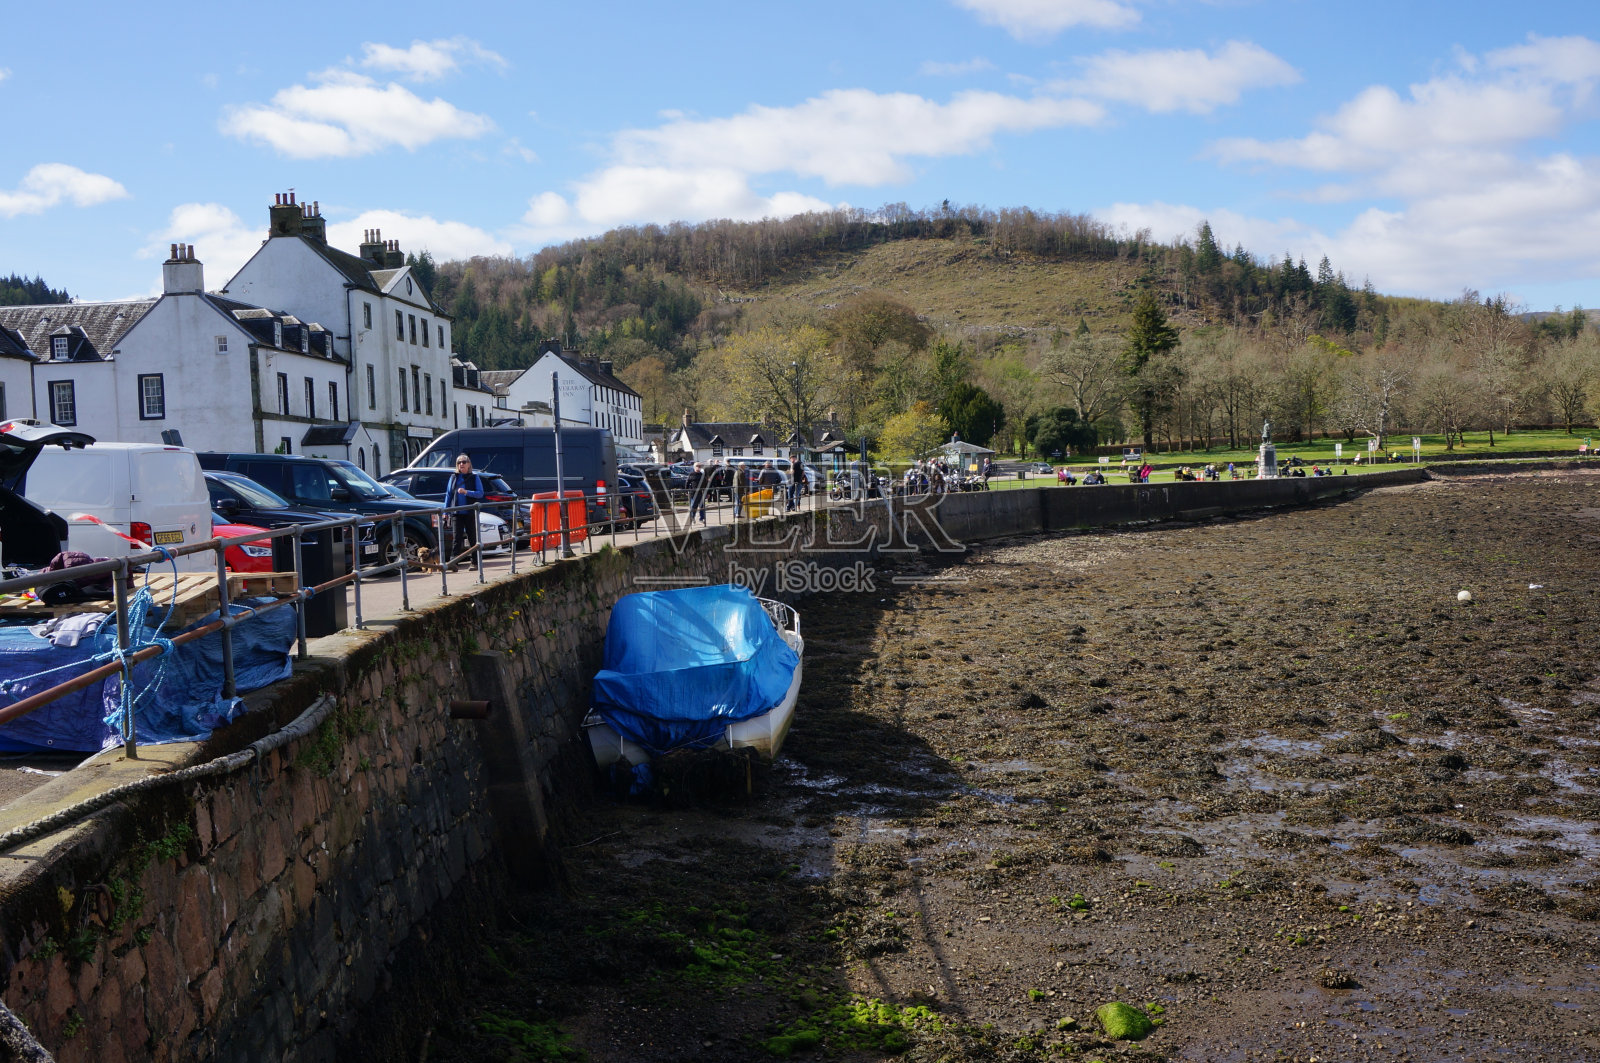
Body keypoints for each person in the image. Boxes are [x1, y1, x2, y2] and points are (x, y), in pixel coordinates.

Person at [444, 453, 485, 568]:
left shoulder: (474, 477)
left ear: (468, 465)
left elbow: (480, 493)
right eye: (459, 462)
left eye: (464, 462)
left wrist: (467, 492)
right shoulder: (453, 477)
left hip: (470, 512)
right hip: (457, 513)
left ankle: (475, 562)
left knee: (472, 537)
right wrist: (445, 512)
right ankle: (453, 562)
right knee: (456, 538)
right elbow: (448, 495)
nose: (461, 464)